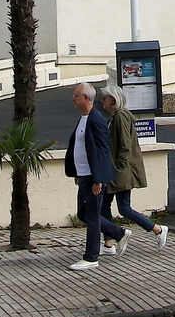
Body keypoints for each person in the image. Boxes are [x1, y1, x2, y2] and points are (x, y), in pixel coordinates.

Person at [62, 82, 126, 271]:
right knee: (83, 213)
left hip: (93, 177)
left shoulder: (96, 119)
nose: (73, 99)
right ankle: (119, 233)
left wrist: (98, 179)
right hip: (84, 175)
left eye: (76, 96)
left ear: (86, 98)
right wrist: (77, 173)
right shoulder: (83, 118)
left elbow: (102, 150)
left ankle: (91, 257)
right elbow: (81, 148)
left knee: (91, 216)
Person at [100, 86, 166, 251]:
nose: (102, 101)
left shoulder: (120, 117)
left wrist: (119, 166)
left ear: (113, 100)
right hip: (116, 169)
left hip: (121, 170)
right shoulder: (114, 117)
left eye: (104, 98)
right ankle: (108, 243)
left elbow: (125, 144)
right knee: (104, 205)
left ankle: (157, 229)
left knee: (124, 208)